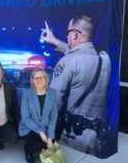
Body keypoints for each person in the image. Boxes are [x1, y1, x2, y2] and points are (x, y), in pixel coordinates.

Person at [41, 14, 111, 155]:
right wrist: (54, 41)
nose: (67, 37)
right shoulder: (104, 57)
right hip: (96, 137)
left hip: (72, 136)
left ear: (74, 35)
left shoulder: (68, 62)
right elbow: (80, 53)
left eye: (68, 33)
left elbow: (54, 100)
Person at [18, 68, 58, 163]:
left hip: (45, 126)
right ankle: (28, 150)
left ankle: (42, 143)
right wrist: (40, 132)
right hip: (29, 127)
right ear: (32, 80)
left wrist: (50, 136)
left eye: (41, 77)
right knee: (38, 144)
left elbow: (53, 116)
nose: (39, 80)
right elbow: (25, 118)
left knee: (51, 144)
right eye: (36, 78)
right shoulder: (27, 93)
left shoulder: (53, 93)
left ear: (46, 79)